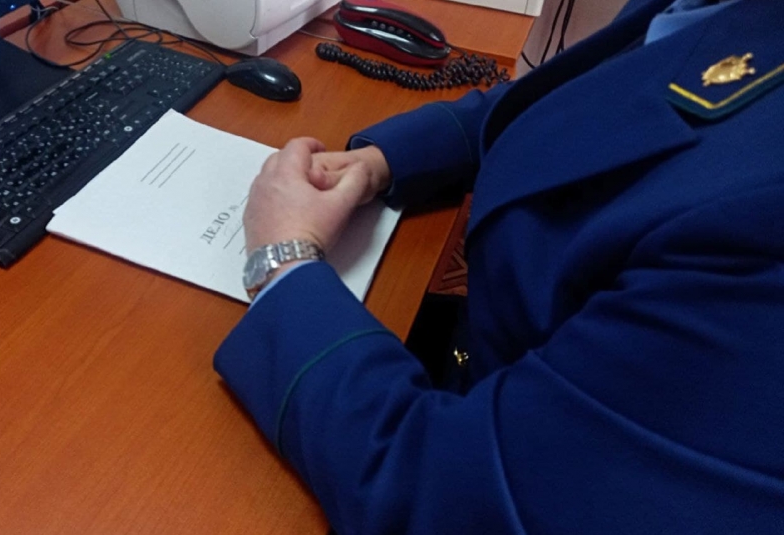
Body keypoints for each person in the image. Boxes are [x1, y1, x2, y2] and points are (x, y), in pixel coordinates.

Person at [214, 0, 784, 532]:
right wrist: (380, 161)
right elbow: (578, 100)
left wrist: (281, 260)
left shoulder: (762, 218)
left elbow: (453, 497)